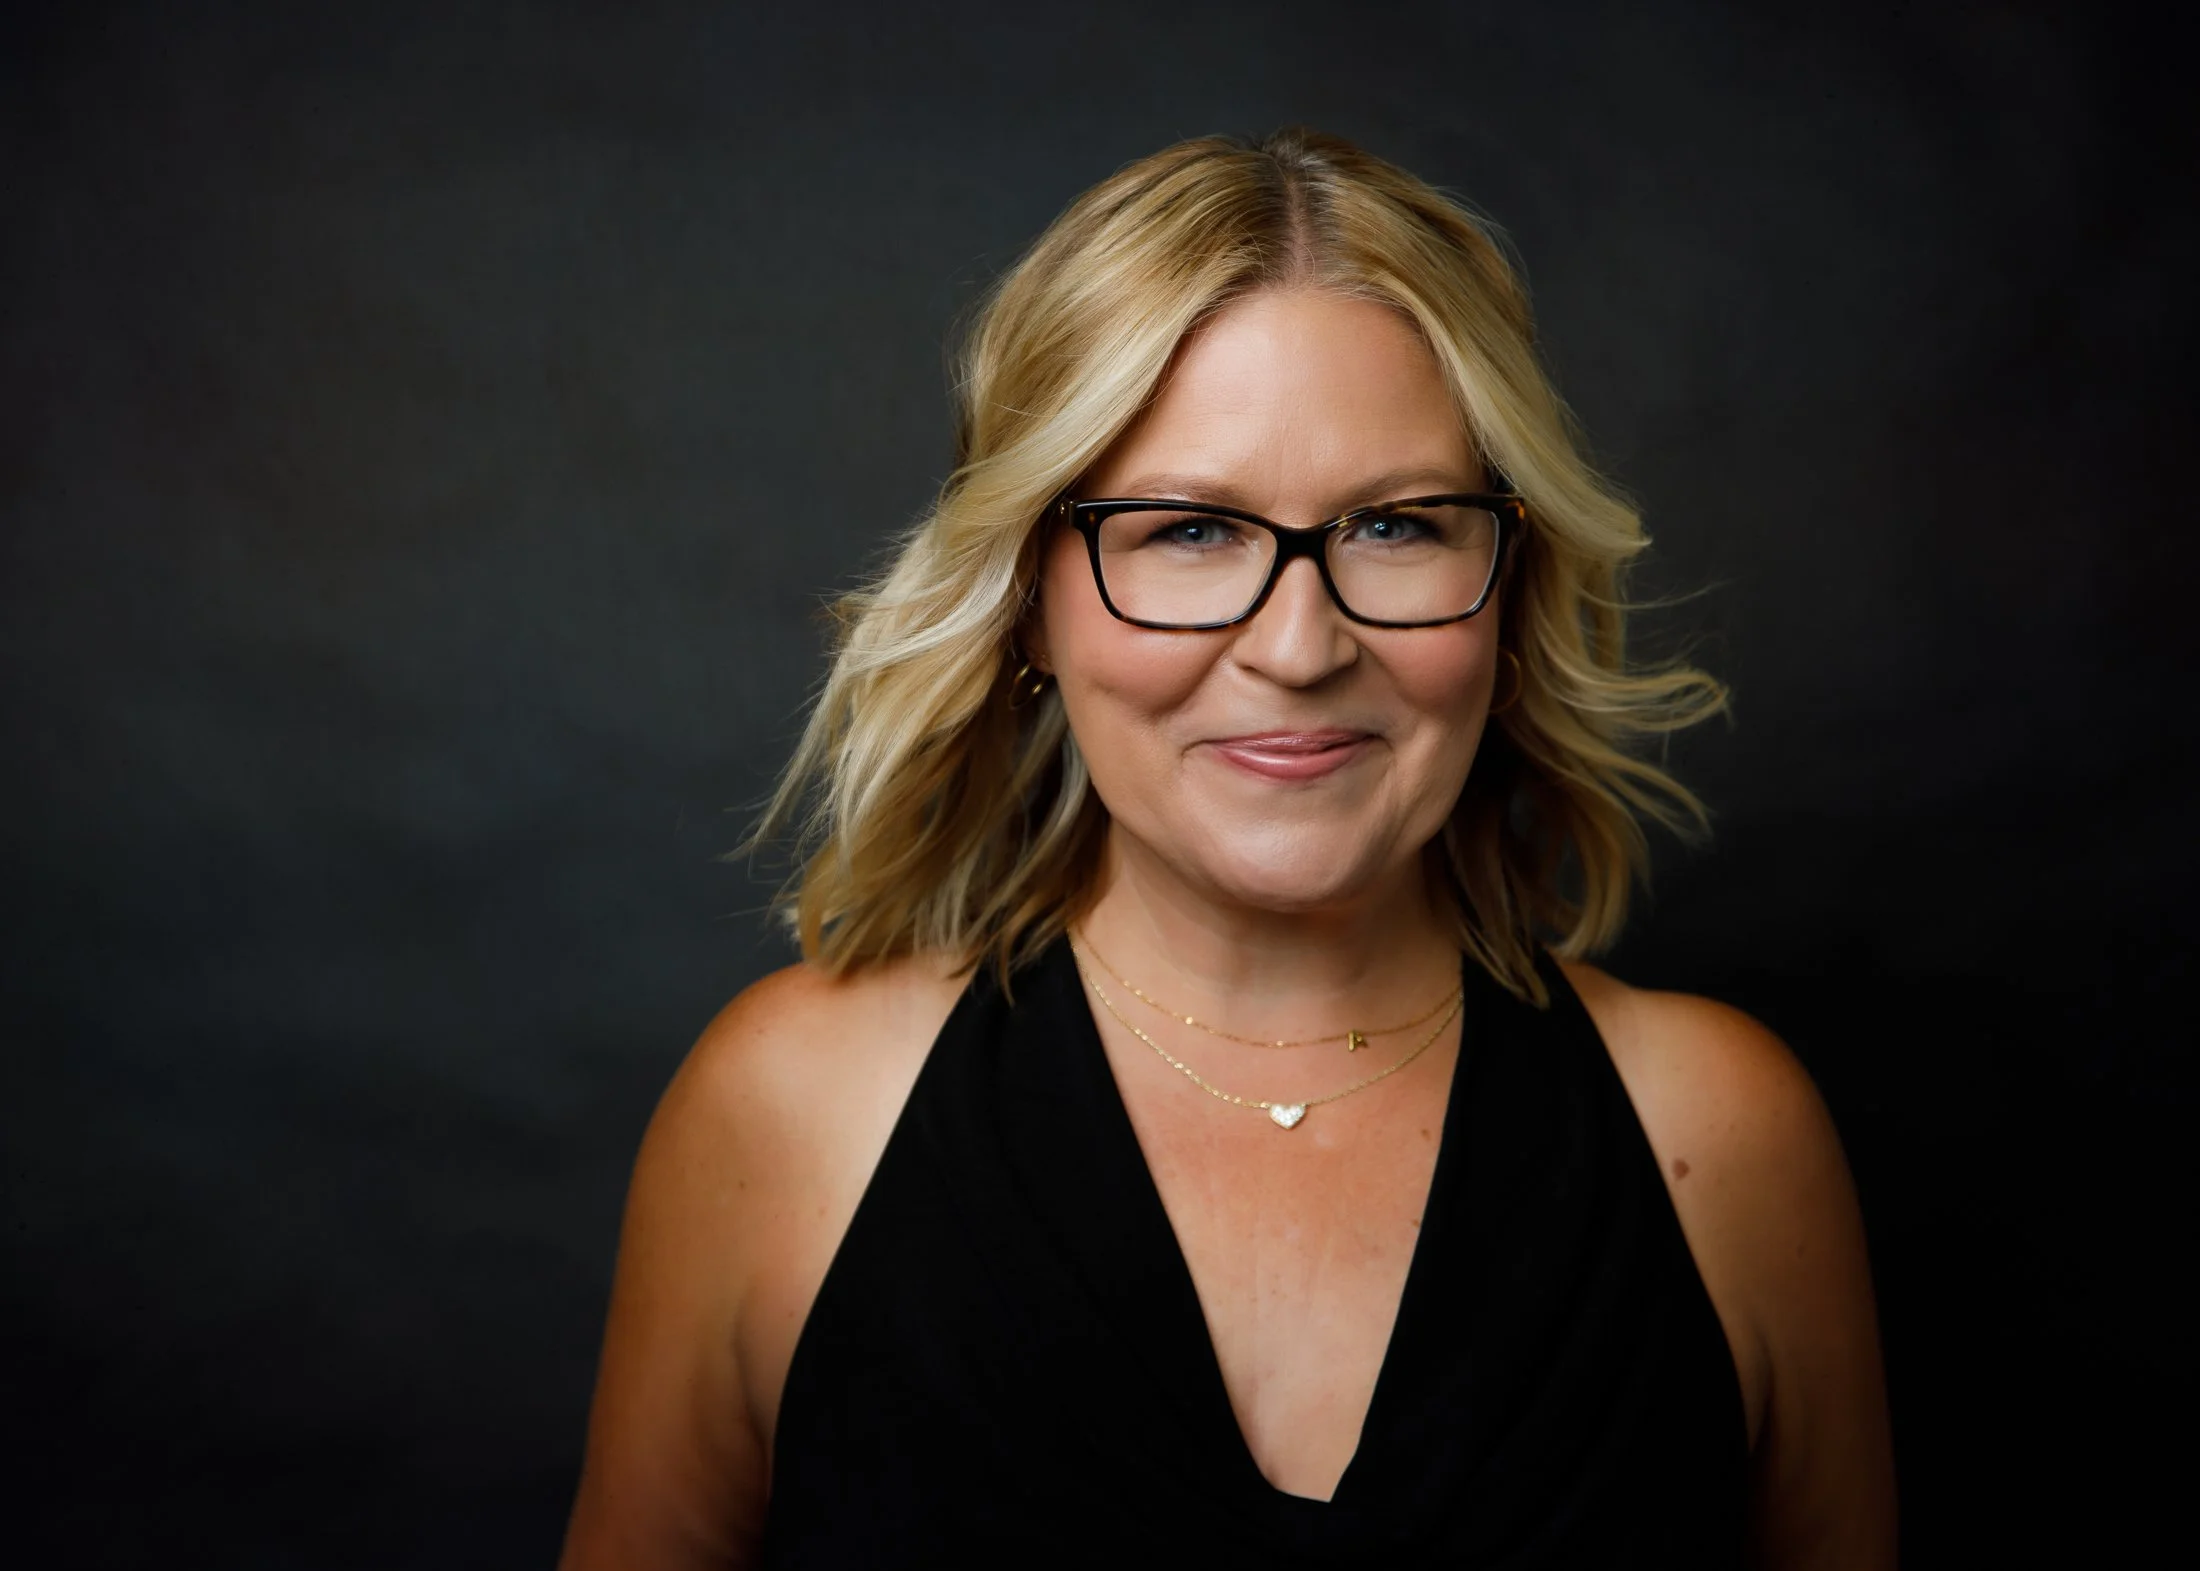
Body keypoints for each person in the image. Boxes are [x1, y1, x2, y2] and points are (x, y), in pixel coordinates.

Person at [558, 129, 1896, 1568]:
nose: (1300, 647)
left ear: (1510, 588)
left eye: (1398, 525)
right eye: (1191, 530)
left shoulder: (1722, 1138)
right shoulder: (794, 1112)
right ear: (1028, 600)